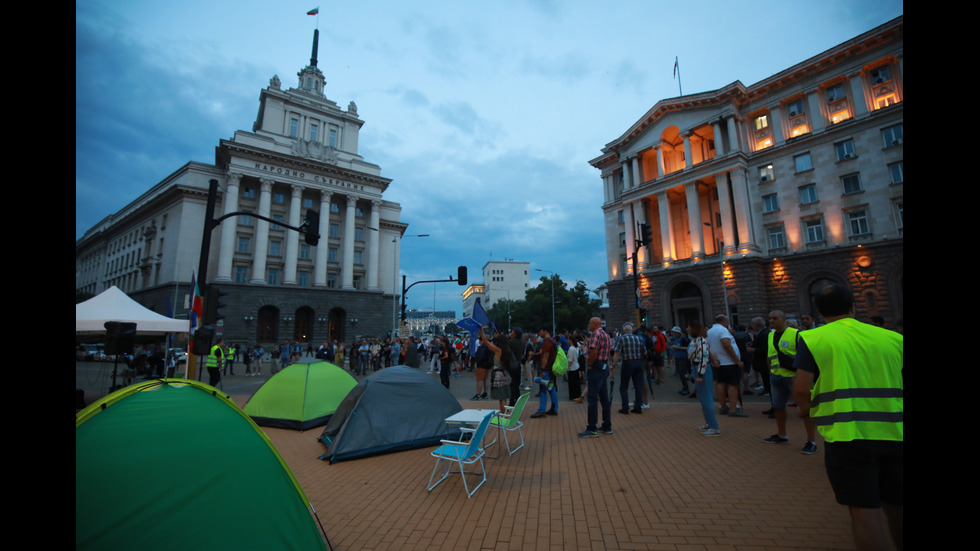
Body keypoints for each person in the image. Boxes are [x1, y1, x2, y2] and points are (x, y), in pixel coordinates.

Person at [793, 285, 903, 551]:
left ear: (819, 312)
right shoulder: (893, 338)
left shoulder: (814, 339)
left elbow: (801, 387)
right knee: (898, 506)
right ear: (854, 306)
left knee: (864, 512)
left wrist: (804, 410)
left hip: (848, 435)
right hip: (896, 433)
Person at [763, 310, 819, 455]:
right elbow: (770, 356)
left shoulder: (796, 334)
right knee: (778, 407)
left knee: (805, 408)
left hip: (793, 377)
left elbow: (806, 357)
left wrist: (800, 375)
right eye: (770, 318)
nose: (771, 321)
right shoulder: (770, 335)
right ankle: (782, 435)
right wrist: (770, 372)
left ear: (783, 319)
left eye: (774, 318)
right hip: (776, 377)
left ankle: (811, 441)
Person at [707, 315, 747, 417]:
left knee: (720, 384)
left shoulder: (709, 331)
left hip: (718, 363)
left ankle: (723, 406)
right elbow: (726, 344)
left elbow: (707, 347)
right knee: (732, 385)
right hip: (729, 362)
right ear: (724, 321)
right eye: (728, 321)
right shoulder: (723, 330)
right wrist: (737, 360)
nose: (729, 323)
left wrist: (712, 360)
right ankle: (733, 409)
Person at [580, 317, 613, 438]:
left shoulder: (596, 334)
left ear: (594, 324)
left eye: (589, 323)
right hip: (604, 367)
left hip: (596, 367)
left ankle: (592, 428)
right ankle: (607, 425)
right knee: (604, 398)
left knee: (592, 398)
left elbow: (593, 351)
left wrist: (589, 364)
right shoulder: (605, 334)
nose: (588, 325)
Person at [688, 321, 721, 436]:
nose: (687, 329)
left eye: (689, 327)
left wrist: (700, 374)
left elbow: (703, 358)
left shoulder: (701, 341)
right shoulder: (695, 340)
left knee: (706, 398)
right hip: (696, 367)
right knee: (703, 398)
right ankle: (709, 422)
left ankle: (714, 427)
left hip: (701, 368)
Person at [611, 322, 646, 414]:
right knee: (638, 386)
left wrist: (613, 365)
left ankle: (625, 407)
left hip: (627, 363)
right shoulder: (639, 338)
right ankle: (638, 406)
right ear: (632, 330)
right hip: (638, 362)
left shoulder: (621, 338)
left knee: (623, 386)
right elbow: (645, 352)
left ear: (624, 330)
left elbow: (617, 353)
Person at [480, 328, 513, 412]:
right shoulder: (508, 350)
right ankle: (505, 412)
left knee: (501, 398)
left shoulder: (498, 350)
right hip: (506, 374)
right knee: (505, 396)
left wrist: (482, 330)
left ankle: (503, 414)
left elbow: (485, 341)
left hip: (498, 375)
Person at [530, 327, 559, 418]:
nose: (539, 333)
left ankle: (541, 410)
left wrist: (542, 370)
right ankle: (554, 409)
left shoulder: (547, 342)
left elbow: (545, 356)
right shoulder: (553, 341)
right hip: (552, 370)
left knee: (543, 390)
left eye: (540, 331)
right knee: (551, 388)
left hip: (546, 370)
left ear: (545, 331)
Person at [668, 327, 691, 395]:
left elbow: (688, 347)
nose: (673, 333)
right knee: (680, 374)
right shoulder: (675, 338)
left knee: (682, 373)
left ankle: (686, 388)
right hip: (677, 357)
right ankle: (684, 387)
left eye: (674, 332)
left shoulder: (683, 339)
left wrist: (678, 348)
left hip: (683, 357)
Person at [566, 335, 582, 401]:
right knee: (576, 382)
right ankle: (577, 394)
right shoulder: (576, 348)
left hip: (572, 368)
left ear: (570, 340)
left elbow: (570, 360)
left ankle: (572, 395)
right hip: (577, 366)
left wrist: (567, 368)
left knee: (572, 383)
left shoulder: (571, 349)